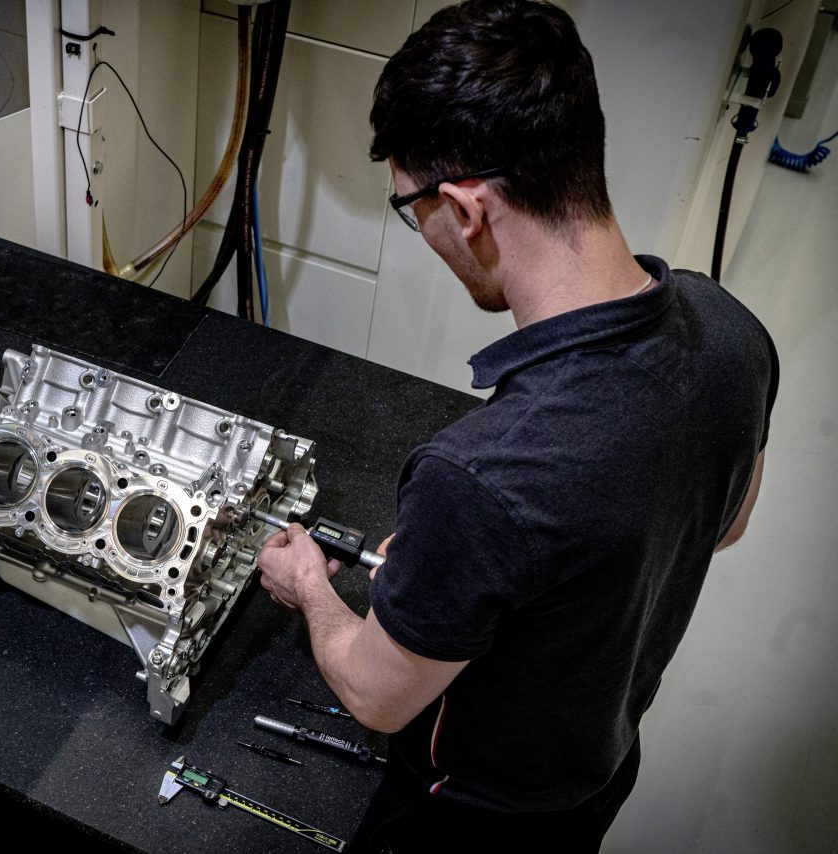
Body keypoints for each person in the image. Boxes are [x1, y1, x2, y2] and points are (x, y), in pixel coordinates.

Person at [254, 1, 779, 851]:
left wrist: (309, 587)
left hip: (465, 821)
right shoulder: (732, 331)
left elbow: (377, 696)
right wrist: (484, 580)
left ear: (466, 210)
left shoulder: (482, 474)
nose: (422, 231)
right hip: (598, 775)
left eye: (410, 208)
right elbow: (724, 523)